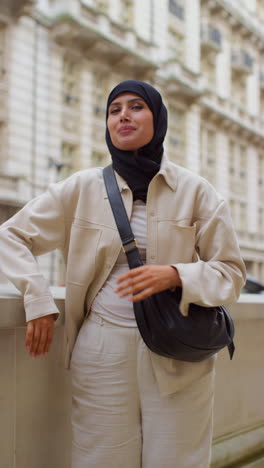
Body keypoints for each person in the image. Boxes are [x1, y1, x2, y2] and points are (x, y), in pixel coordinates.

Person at [0, 80, 246, 468]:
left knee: (177, 459)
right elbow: (10, 236)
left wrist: (176, 274)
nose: (123, 116)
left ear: (158, 118)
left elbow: (230, 273)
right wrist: (37, 296)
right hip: (101, 348)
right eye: (114, 110)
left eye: (136, 107)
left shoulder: (197, 192)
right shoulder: (81, 188)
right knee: (101, 459)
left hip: (177, 348)